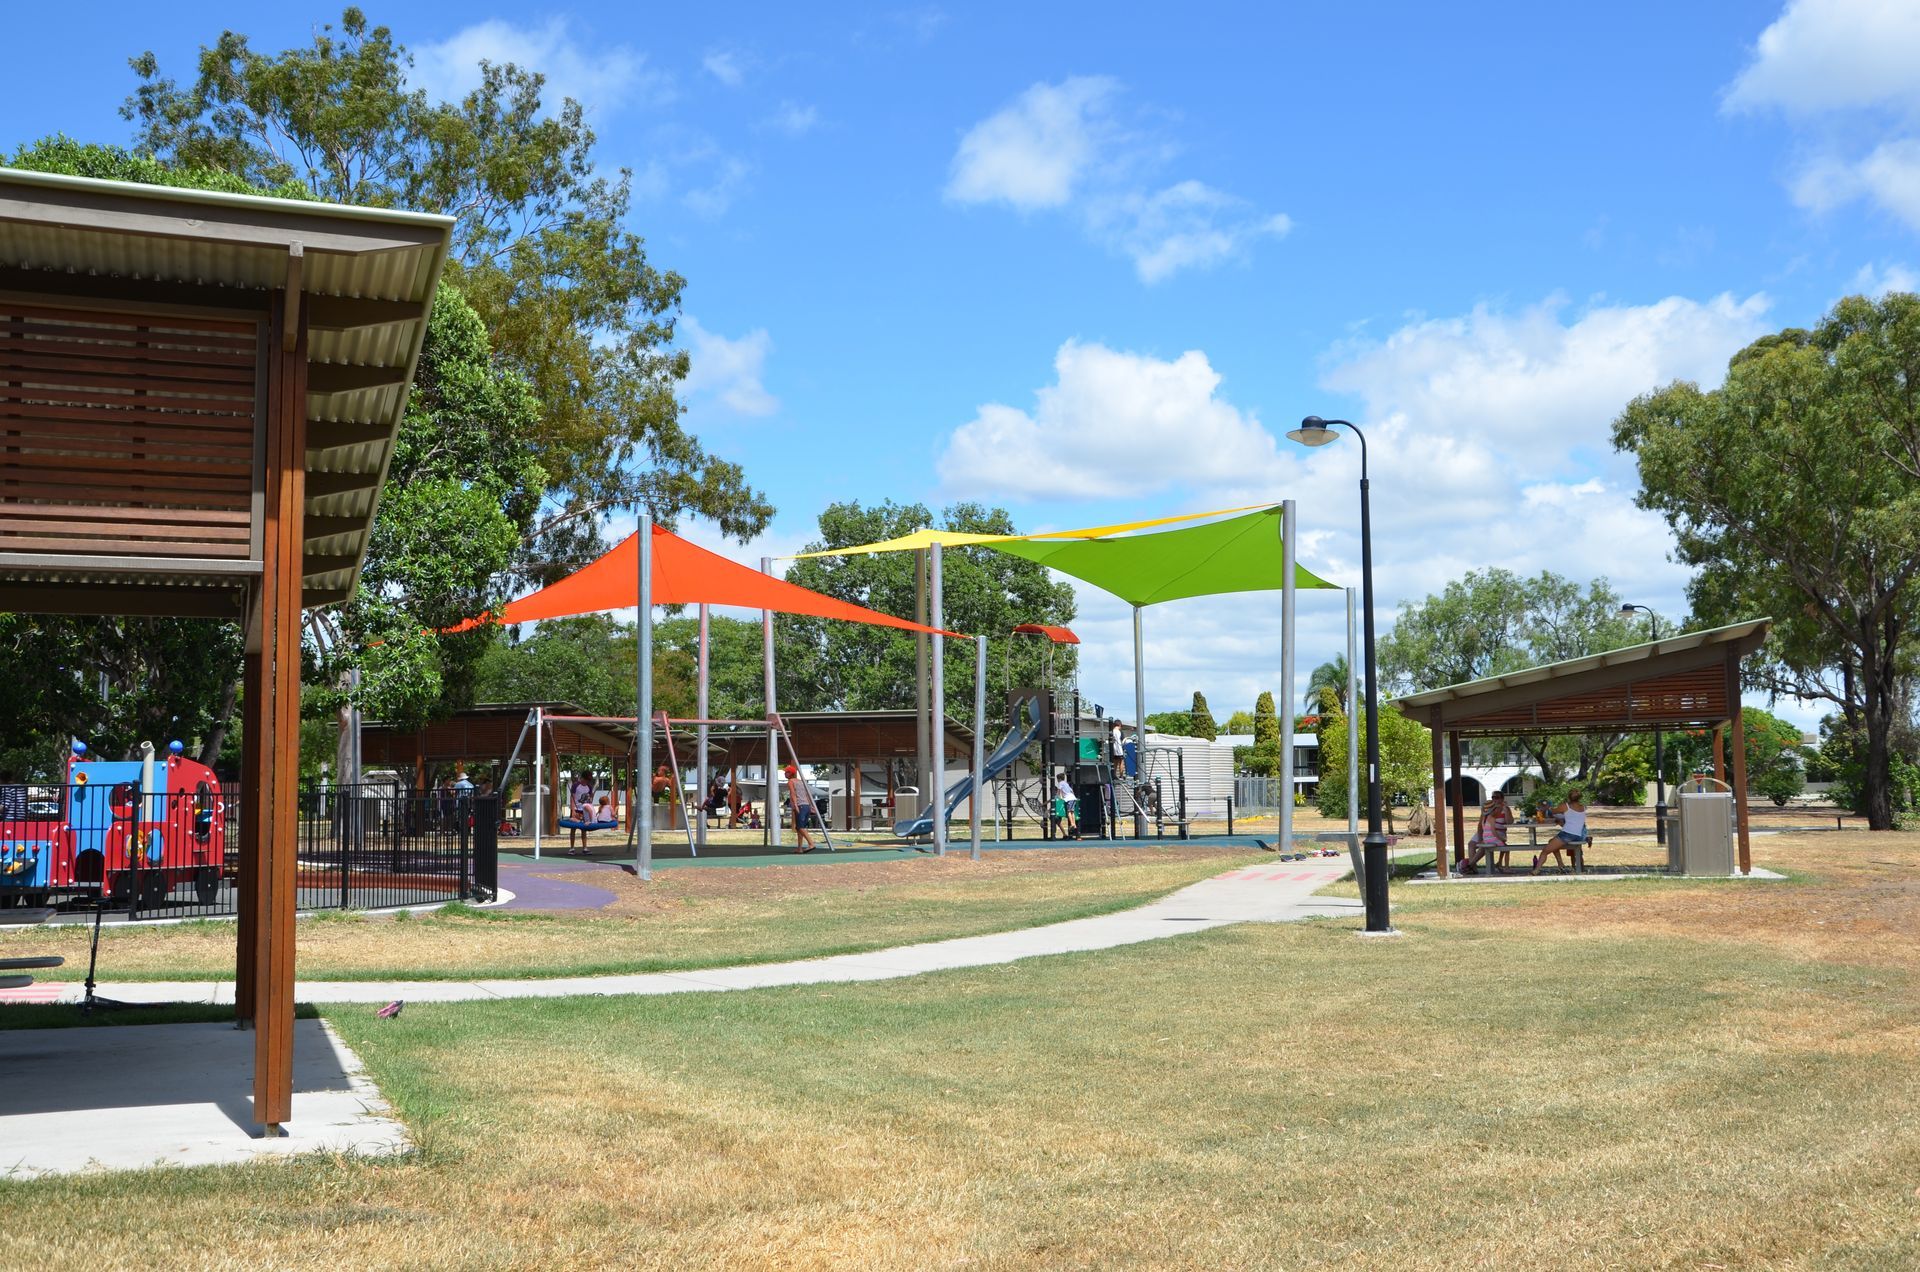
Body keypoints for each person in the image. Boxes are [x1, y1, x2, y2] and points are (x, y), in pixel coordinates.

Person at [1533, 789, 1588, 873]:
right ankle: (1561, 865)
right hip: (1579, 835)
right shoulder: (1583, 807)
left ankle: (1536, 870)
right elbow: (1574, 819)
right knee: (1552, 841)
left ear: (1568, 797)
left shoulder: (1565, 806)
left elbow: (1552, 811)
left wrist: (1547, 807)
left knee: (1545, 850)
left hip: (1567, 834)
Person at [1460, 789, 1513, 874]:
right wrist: (1481, 837)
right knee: (1471, 844)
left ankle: (1469, 866)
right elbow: (1480, 824)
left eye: (1497, 797)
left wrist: (1506, 810)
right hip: (1486, 831)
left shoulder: (1505, 809)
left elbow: (1509, 822)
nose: (1495, 800)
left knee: (1484, 845)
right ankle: (1473, 868)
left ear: (1502, 799)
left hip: (1498, 832)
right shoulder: (1488, 808)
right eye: (1493, 797)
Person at [782, 763, 816, 853]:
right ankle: (800, 848)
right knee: (799, 827)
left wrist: (796, 805)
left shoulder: (790, 782)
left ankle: (811, 843)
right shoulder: (801, 781)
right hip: (806, 806)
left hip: (800, 805)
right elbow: (806, 794)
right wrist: (811, 806)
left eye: (786, 772)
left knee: (800, 827)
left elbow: (793, 793)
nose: (785, 774)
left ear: (790, 773)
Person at [566, 771, 594, 856]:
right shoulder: (576, 785)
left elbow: (589, 799)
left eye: (588, 781)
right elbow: (572, 798)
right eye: (586, 780)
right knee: (573, 828)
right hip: (576, 809)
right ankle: (572, 848)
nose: (586, 782)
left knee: (584, 829)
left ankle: (585, 848)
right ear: (582, 778)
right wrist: (573, 810)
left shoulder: (589, 786)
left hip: (584, 810)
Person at [1052, 770, 1079, 839]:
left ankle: (1072, 824)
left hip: (1068, 798)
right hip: (1073, 798)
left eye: (1057, 779)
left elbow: (1059, 790)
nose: (1057, 780)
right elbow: (1071, 790)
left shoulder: (1061, 783)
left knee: (1068, 812)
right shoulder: (1066, 783)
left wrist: (1059, 796)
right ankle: (1074, 824)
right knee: (1072, 812)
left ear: (1059, 779)